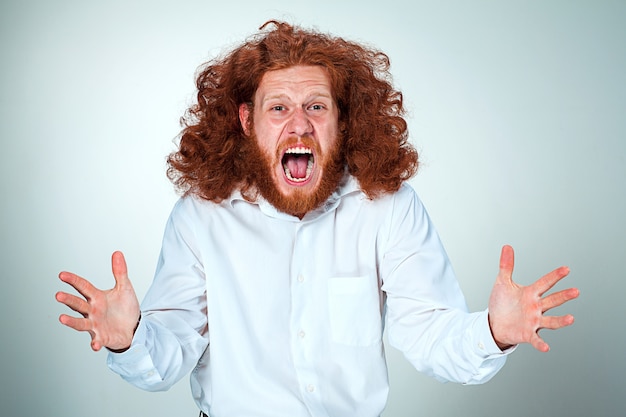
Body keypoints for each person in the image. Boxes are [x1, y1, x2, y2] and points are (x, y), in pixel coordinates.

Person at [56, 21, 579, 417]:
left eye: (317, 107)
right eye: (278, 108)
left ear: (342, 120)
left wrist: (494, 332)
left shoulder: (389, 207)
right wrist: (130, 337)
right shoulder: (201, 217)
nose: (298, 124)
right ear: (247, 120)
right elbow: (167, 355)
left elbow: (431, 336)